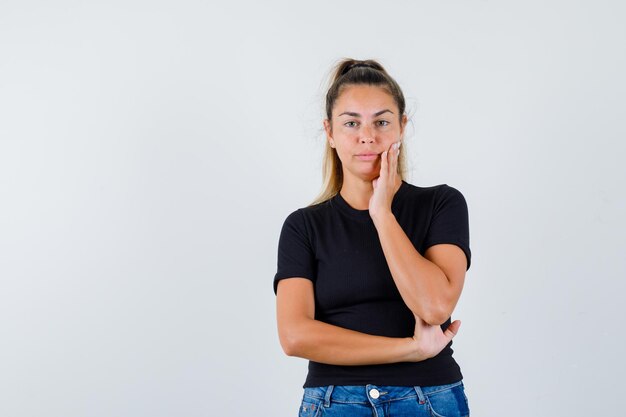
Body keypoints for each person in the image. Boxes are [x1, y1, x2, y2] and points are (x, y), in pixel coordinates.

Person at [273, 58, 471, 417]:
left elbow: (434, 307)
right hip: (334, 402)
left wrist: (382, 213)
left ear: (402, 127)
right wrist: (410, 349)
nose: (368, 136)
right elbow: (295, 336)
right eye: (351, 123)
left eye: (382, 121)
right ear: (330, 133)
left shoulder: (441, 204)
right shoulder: (303, 227)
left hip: (427, 399)